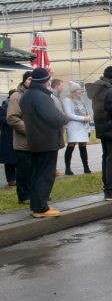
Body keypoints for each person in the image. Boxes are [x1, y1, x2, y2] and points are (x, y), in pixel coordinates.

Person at [19, 68, 70, 218]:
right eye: (49, 79)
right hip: (46, 140)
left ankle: (36, 206)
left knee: (36, 174)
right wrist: (64, 118)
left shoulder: (27, 95)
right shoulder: (41, 97)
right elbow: (54, 118)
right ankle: (41, 208)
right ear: (46, 81)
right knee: (46, 175)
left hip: (35, 140)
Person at [85, 66, 112, 200]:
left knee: (106, 159)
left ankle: (108, 189)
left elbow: (106, 108)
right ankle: (111, 191)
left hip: (103, 129)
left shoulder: (97, 89)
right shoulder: (110, 91)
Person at [6, 71, 33, 204]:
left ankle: (35, 193)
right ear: (24, 81)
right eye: (29, 79)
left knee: (35, 170)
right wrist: (31, 130)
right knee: (24, 170)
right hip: (23, 141)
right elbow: (12, 118)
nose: (31, 81)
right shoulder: (16, 96)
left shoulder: (35, 95)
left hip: (38, 141)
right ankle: (24, 196)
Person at [62, 83, 92, 175]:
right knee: (71, 146)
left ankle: (86, 167)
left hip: (83, 126)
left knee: (83, 147)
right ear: (73, 91)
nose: (80, 92)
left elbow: (85, 112)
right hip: (74, 126)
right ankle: (67, 168)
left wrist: (88, 125)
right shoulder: (67, 100)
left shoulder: (80, 100)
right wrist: (83, 118)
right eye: (78, 90)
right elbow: (69, 114)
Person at [0, 91, 17, 186]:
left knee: (18, 158)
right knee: (9, 160)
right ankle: (10, 179)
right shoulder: (4, 107)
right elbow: (1, 120)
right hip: (8, 136)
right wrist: (11, 119)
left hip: (17, 135)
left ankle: (17, 177)